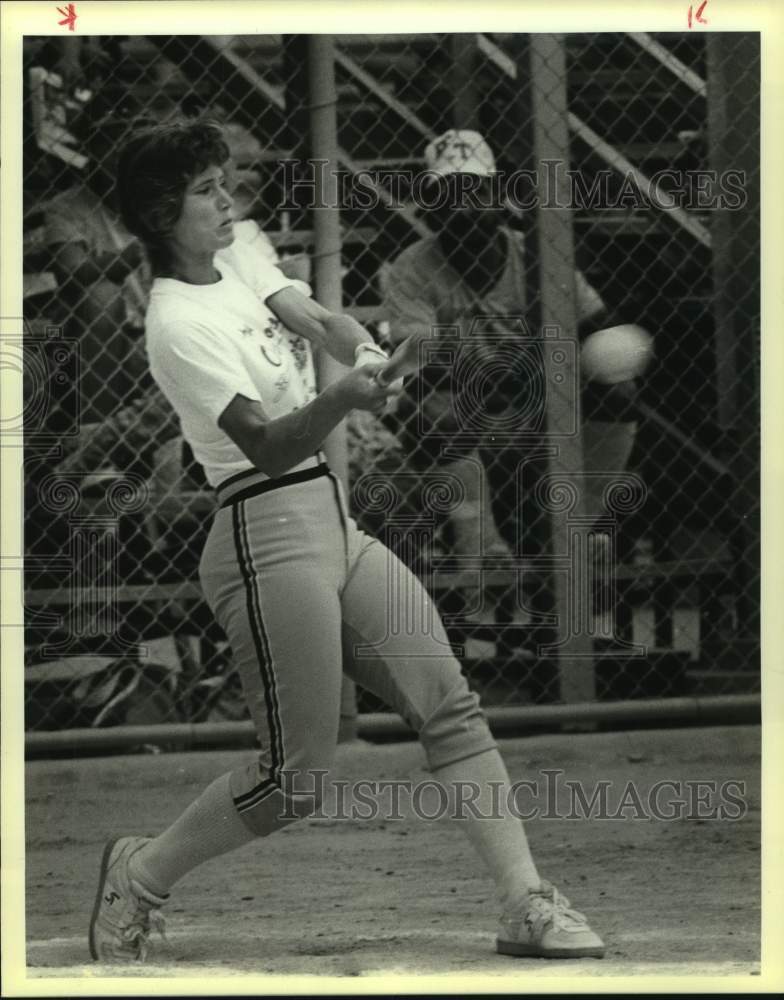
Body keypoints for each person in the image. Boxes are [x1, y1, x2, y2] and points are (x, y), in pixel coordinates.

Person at [88, 119, 605, 964]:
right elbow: (267, 444)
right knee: (297, 780)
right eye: (206, 191)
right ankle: (139, 873)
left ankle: (526, 902)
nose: (229, 200)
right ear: (156, 213)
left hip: (331, 520)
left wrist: (367, 352)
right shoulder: (176, 324)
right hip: (263, 533)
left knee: (449, 701)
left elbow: (313, 314)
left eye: (226, 182)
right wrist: (346, 400)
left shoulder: (242, 247)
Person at [384, 129, 638, 567]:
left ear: (497, 198)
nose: (461, 204)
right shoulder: (412, 266)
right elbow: (421, 365)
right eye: (447, 193)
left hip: (538, 401)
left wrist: (594, 357)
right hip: (469, 407)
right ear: (431, 208)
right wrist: (512, 371)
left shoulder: (535, 255)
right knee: (431, 409)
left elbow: (598, 324)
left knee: (618, 392)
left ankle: (579, 530)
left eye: (472, 190)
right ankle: (482, 549)